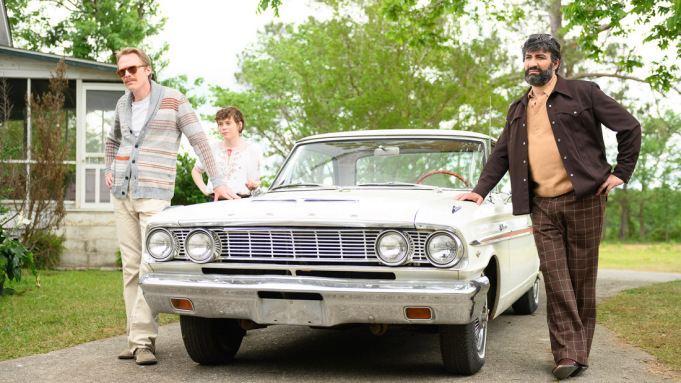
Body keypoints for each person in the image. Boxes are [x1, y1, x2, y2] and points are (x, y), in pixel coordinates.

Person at [456, 34, 641, 380]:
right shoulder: (518, 109)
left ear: (555, 62)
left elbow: (629, 127)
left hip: (585, 200)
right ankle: (567, 354)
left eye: (540, 57)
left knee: (581, 279)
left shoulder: (584, 93)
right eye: (528, 57)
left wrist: (621, 173)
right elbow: (501, 156)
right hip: (542, 206)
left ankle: (578, 350)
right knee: (556, 279)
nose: (532, 63)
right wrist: (479, 192)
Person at [104, 47, 231, 365]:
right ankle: (137, 338)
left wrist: (217, 181)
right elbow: (112, 140)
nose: (127, 75)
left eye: (132, 69)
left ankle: (141, 341)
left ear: (148, 69)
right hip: (123, 194)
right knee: (131, 269)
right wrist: (110, 168)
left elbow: (199, 139)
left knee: (150, 265)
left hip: (154, 194)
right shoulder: (123, 104)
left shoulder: (174, 99)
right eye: (121, 71)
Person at [192, 106, 261, 200]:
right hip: (214, 202)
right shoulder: (212, 149)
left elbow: (255, 183)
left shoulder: (251, 150)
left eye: (228, 123)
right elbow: (196, 170)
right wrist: (205, 190)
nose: (223, 127)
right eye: (220, 124)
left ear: (239, 125)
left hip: (241, 202)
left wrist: (254, 185)